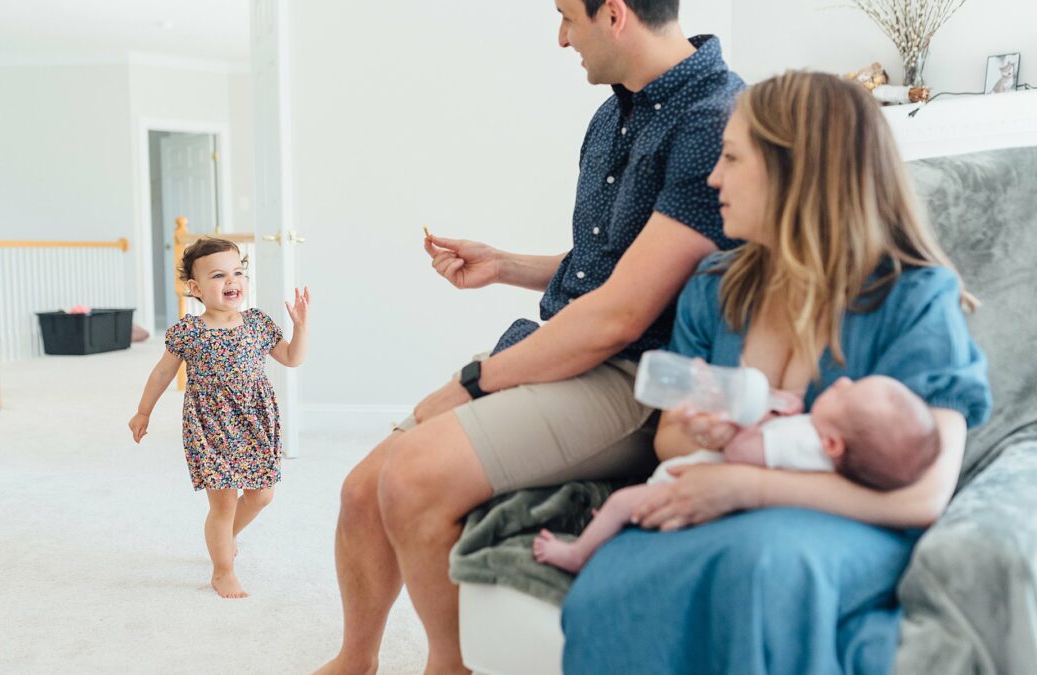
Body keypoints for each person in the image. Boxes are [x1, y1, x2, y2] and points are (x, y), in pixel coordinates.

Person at [316, 1, 744, 672]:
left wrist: (472, 381)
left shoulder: (713, 119)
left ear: (615, 14)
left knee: (412, 476)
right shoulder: (613, 112)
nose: (561, 37)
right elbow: (607, 269)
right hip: (566, 344)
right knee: (359, 489)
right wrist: (506, 266)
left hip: (634, 375)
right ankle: (355, 659)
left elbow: (622, 315)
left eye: (567, 16)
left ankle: (450, 665)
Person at [560, 70, 992, 674]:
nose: (713, 178)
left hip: (845, 520)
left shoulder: (914, 299)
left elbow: (925, 493)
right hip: (720, 500)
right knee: (605, 588)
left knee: (763, 568)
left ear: (798, 171)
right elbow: (669, 438)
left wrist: (748, 486)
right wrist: (712, 433)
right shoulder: (715, 286)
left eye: (732, 158)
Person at [533, 374, 940, 573]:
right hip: (711, 498)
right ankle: (612, 528)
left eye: (848, 393)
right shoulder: (824, 450)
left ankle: (577, 554)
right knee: (631, 505)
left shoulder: (805, 443)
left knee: (622, 501)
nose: (845, 381)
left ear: (834, 445)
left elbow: (744, 451)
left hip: (693, 490)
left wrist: (748, 417)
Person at [127, 237, 310, 599]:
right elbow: (163, 373)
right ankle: (222, 570)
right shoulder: (189, 331)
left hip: (255, 422)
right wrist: (143, 410)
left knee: (261, 495)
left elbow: (291, 358)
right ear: (195, 288)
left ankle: (226, 538)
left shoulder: (258, 323)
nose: (232, 281)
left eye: (238, 272)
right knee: (223, 503)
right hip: (209, 426)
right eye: (218, 275)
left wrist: (301, 327)